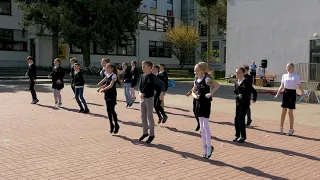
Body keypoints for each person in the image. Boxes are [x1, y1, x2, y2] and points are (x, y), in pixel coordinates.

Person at [191, 62, 220, 159]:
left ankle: (209, 148)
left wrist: (210, 93)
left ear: (203, 70)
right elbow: (193, 91)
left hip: (206, 104)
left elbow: (217, 85)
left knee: (205, 126)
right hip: (198, 104)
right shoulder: (196, 80)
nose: (196, 72)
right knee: (201, 129)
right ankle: (204, 149)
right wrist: (195, 96)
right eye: (195, 70)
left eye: (197, 70)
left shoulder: (206, 79)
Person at [274, 63, 307, 136]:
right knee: (284, 110)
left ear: (293, 68)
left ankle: (291, 129)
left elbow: (300, 86)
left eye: (289, 67)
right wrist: (277, 94)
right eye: (287, 67)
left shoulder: (296, 76)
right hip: (285, 93)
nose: (287, 68)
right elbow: (282, 86)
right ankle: (281, 127)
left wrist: (304, 95)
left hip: (292, 94)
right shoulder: (284, 76)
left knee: (290, 112)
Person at [138, 61, 165, 144]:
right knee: (143, 116)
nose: (143, 68)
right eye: (142, 66)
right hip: (142, 99)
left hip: (150, 98)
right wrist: (140, 93)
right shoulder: (142, 76)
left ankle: (152, 135)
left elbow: (162, 85)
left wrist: (162, 93)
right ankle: (145, 133)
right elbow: (139, 87)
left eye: (144, 66)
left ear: (150, 67)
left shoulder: (153, 77)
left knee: (149, 116)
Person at [233, 67, 257, 143]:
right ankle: (237, 135)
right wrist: (237, 96)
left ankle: (243, 136)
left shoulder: (246, 82)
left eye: (239, 72)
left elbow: (254, 91)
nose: (237, 74)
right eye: (236, 72)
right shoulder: (236, 83)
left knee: (241, 119)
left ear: (243, 73)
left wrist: (254, 99)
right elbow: (235, 92)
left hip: (245, 103)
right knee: (236, 119)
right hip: (238, 103)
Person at [97, 63, 120, 134]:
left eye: (107, 68)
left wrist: (104, 89)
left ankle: (116, 124)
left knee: (112, 110)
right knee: (108, 110)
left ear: (112, 69)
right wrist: (100, 86)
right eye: (106, 68)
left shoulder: (114, 75)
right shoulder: (107, 74)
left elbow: (111, 85)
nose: (106, 69)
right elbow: (106, 82)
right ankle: (111, 125)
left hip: (112, 94)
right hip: (107, 94)